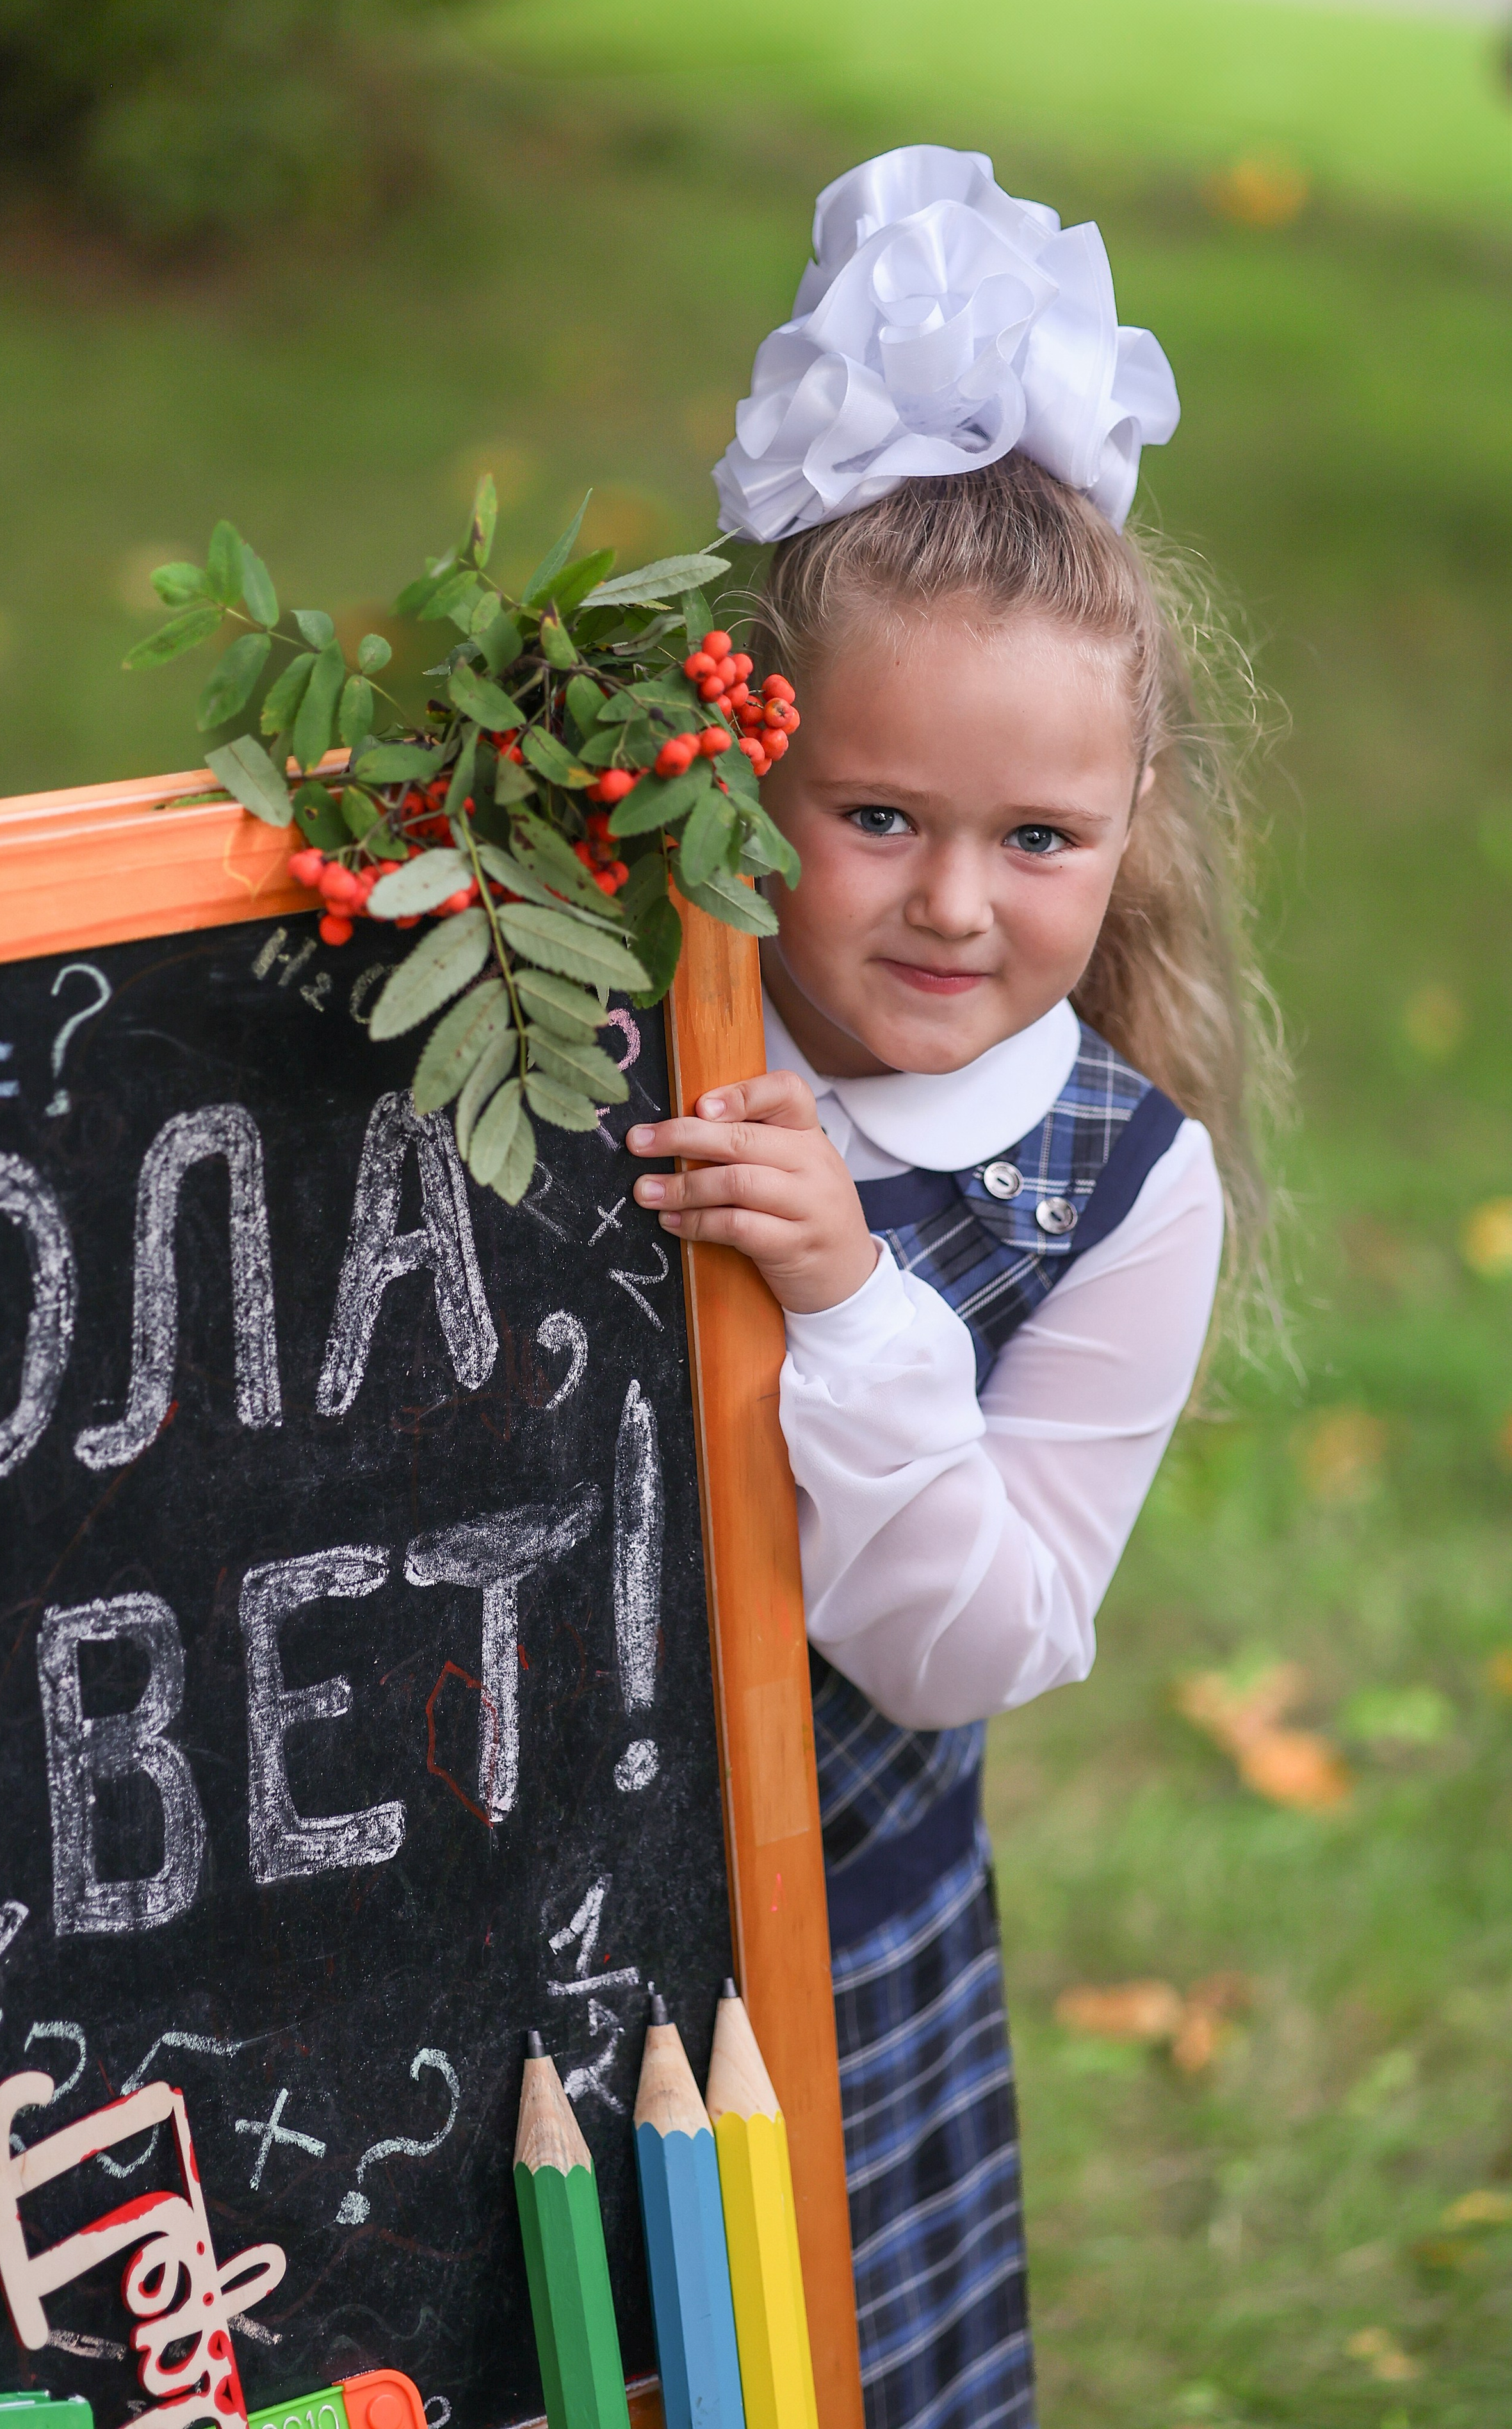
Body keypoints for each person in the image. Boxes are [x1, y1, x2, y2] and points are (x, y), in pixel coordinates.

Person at [625, 147, 1281, 2429]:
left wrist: (851, 1312)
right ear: (750, 765)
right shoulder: (623, 1027)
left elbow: (981, 1636)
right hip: (524, 1872)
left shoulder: (1121, 1190)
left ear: (1132, 820)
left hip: (840, 1936)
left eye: (1040, 841)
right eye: (877, 815)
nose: (953, 909)